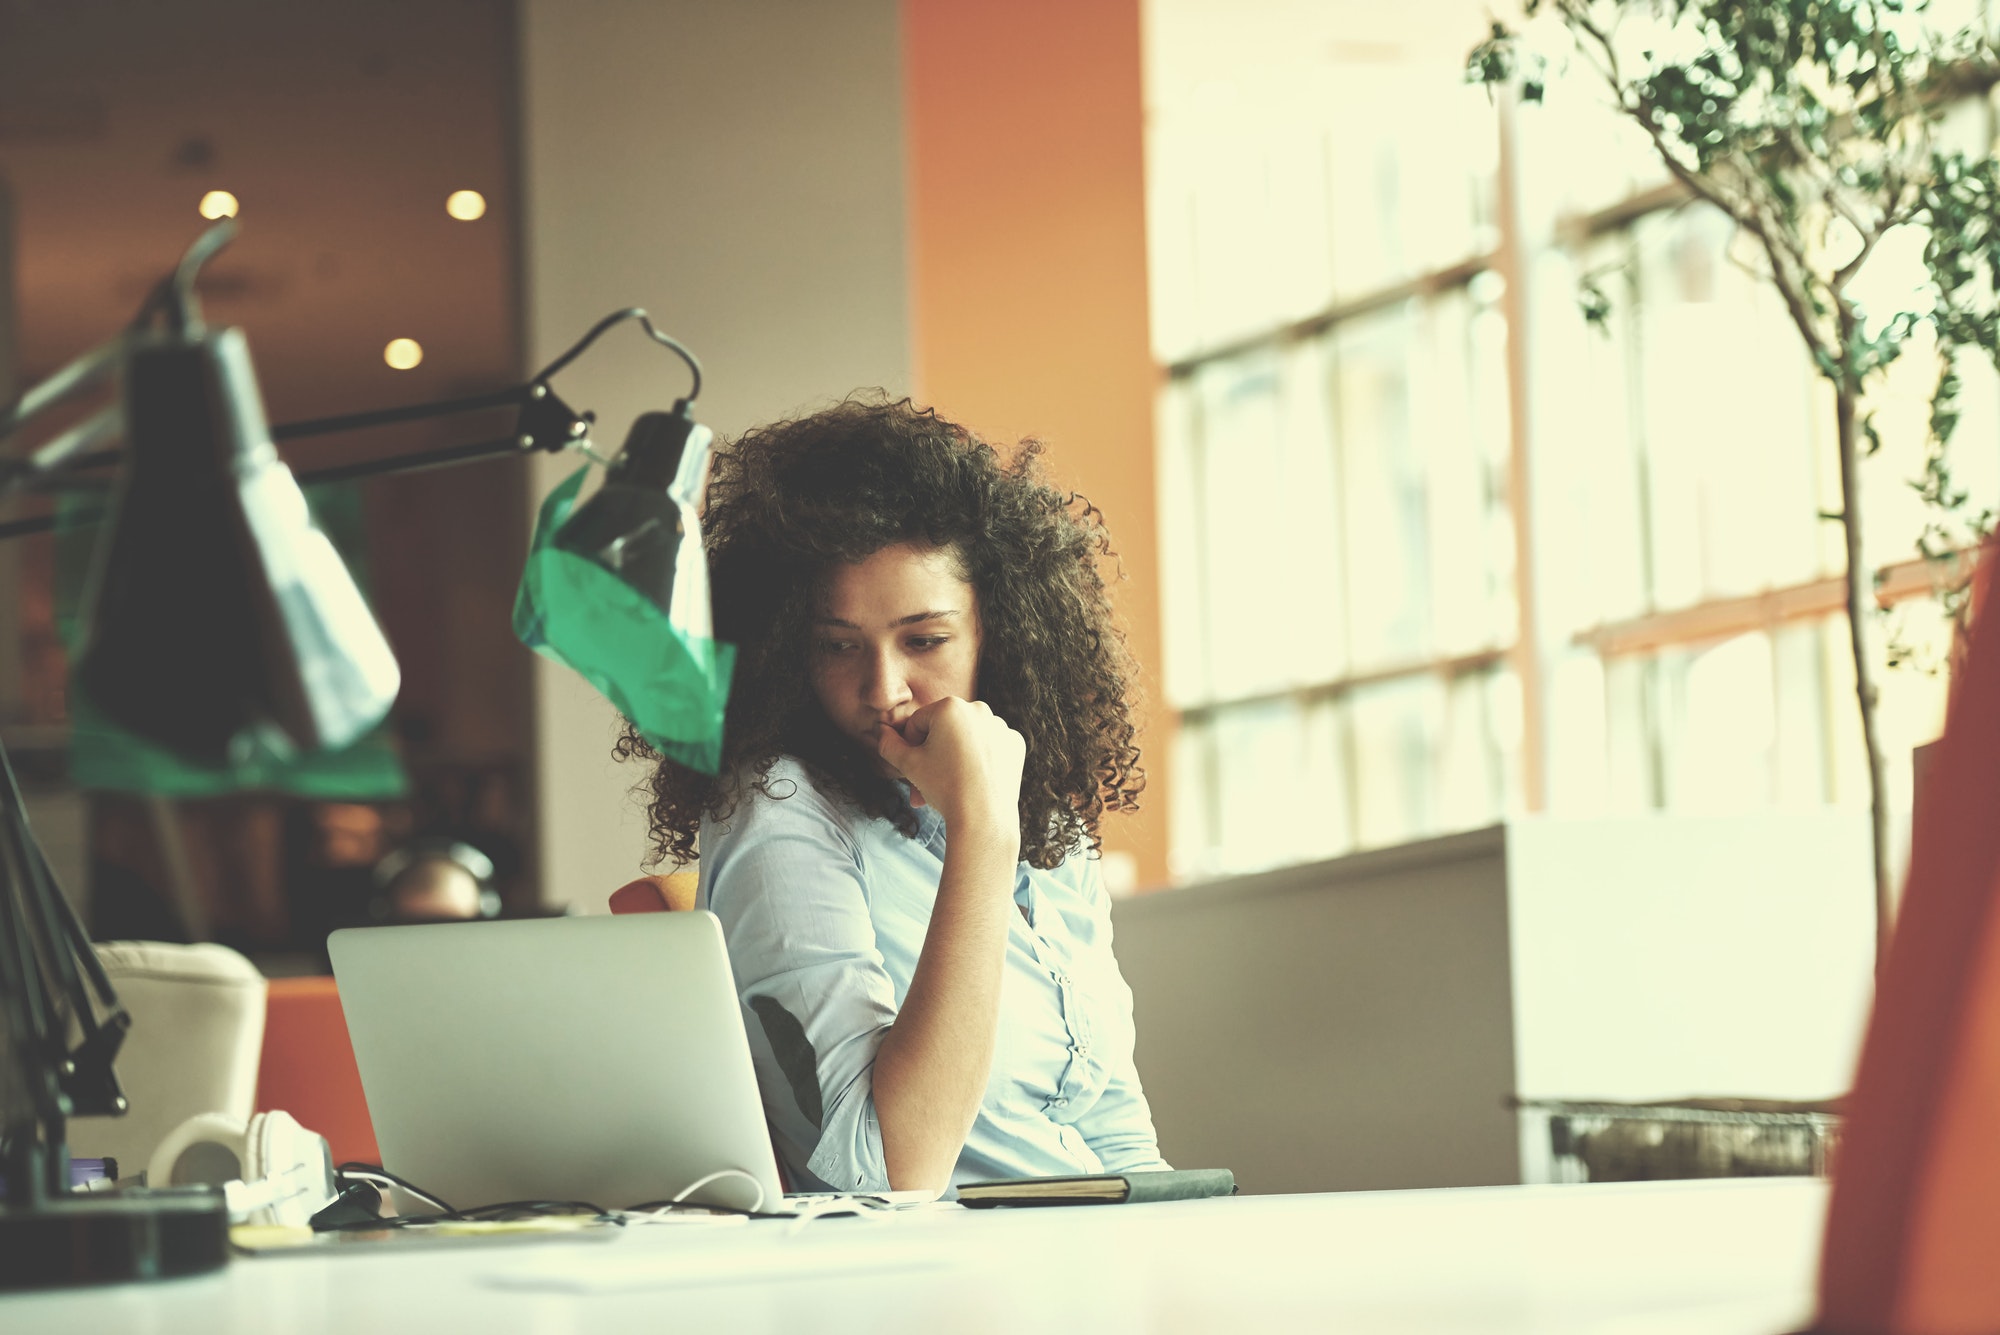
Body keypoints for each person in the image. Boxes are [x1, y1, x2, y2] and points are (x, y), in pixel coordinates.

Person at [616, 396, 1170, 1195]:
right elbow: (887, 1173)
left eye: (925, 640)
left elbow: (1113, 1125)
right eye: (837, 646)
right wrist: (981, 830)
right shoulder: (779, 806)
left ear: (1000, 631)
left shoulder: (1047, 821)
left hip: (1092, 1257)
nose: (883, 687)